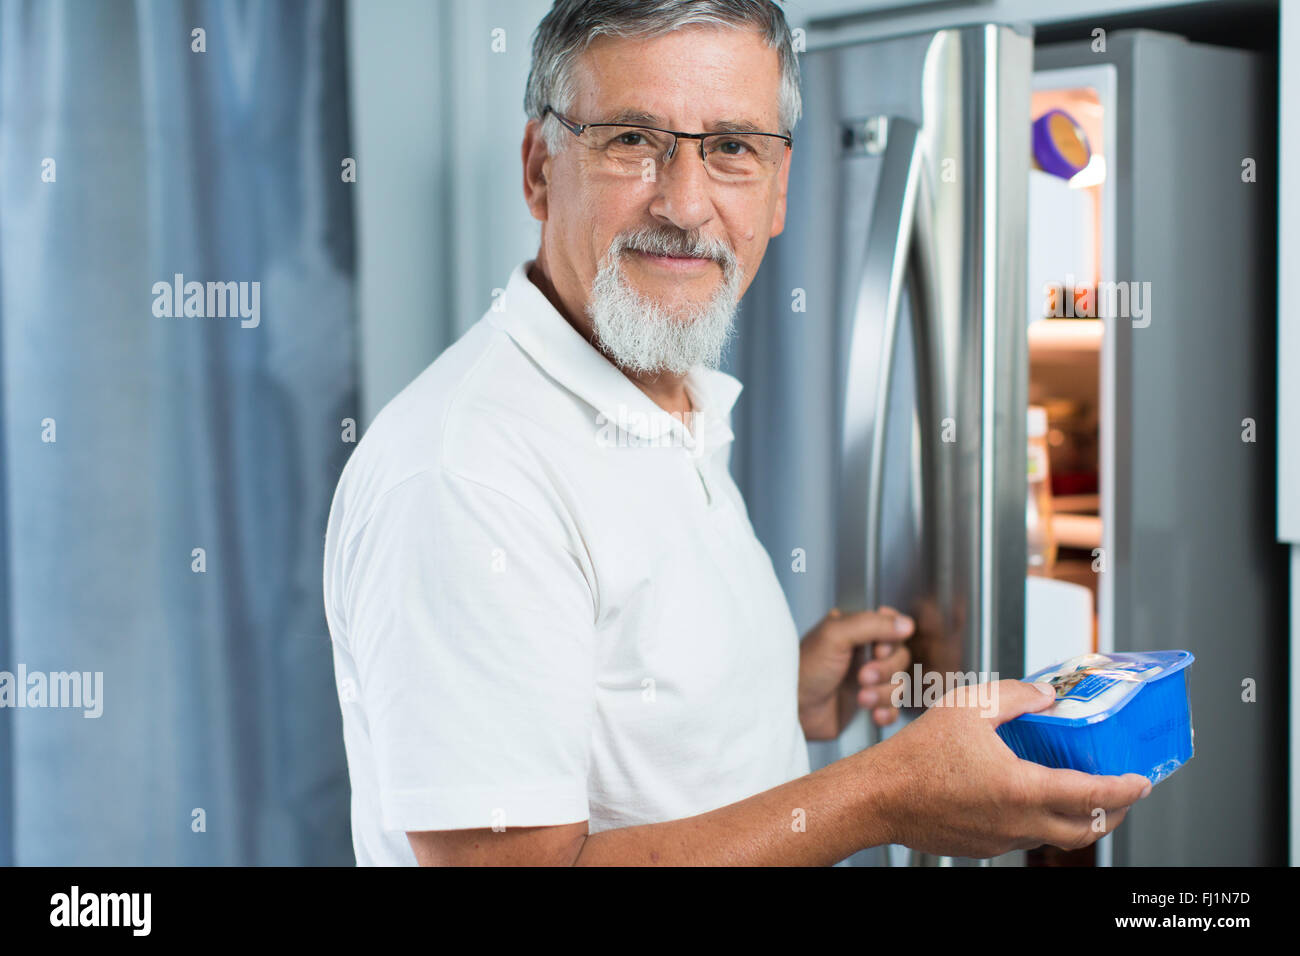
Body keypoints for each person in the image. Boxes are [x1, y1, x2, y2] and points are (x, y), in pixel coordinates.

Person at [322, 0, 1151, 866]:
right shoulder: (469, 473)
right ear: (539, 168)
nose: (684, 204)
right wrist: (887, 792)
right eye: (632, 139)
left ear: (778, 188)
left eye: (731, 148)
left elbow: (611, 737)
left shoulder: (667, 399)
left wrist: (775, 694)